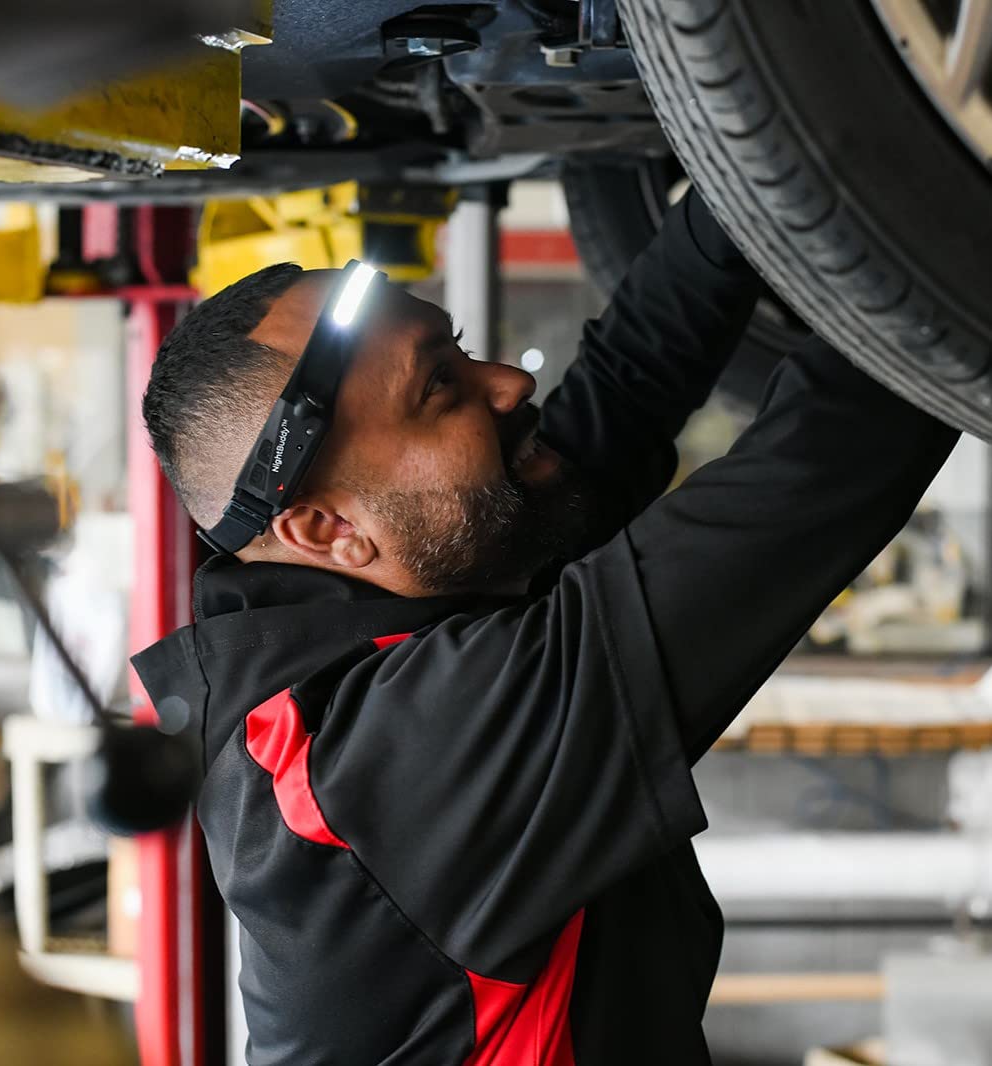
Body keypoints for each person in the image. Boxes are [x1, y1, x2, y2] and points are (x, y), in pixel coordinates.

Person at [133, 190, 958, 1065]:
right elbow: (820, 474)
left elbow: (625, 390)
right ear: (327, 528)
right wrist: (934, 204)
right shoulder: (383, 766)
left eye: (458, 347)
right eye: (440, 387)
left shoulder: (402, 593)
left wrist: (751, 165)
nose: (509, 381)